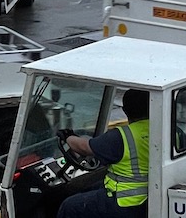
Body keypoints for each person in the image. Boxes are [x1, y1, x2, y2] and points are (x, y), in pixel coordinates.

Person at [58, 88, 150, 218]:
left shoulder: (121, 136)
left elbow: (85, 148)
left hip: (124, 202)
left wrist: (68, 137)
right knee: (86, 189)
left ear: (125, 111)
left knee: (69, 206)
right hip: (148, 198)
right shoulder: (171, 131)